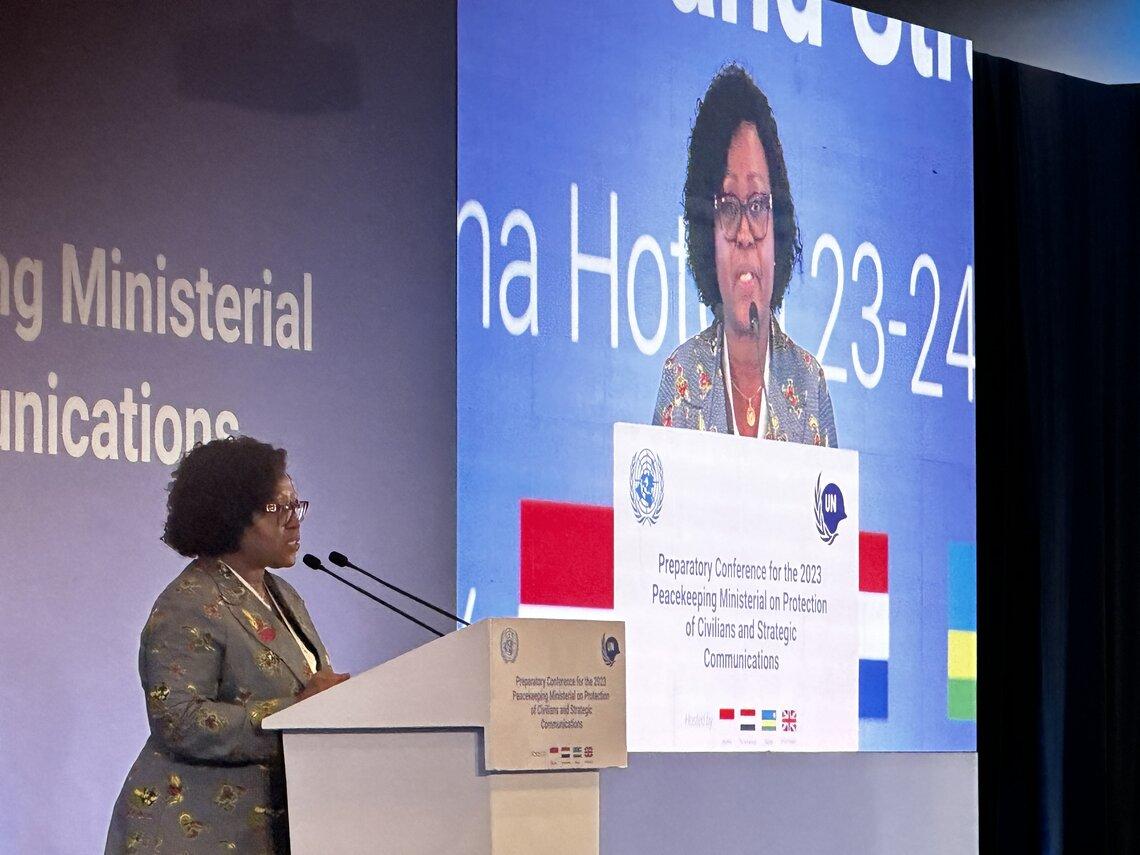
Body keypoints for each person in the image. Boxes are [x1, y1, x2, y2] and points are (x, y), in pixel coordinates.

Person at [105, 436, 348, 854]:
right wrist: (299, 713)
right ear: (232, 514)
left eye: (297, 505)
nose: (294, 520)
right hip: (194, 831)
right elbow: (178, 720)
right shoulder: (189, 603)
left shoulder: (284, 594)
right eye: (278, 507)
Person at [652, 64, 838, 447]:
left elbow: (834, 507)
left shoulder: (808, 384)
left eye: (757, 205)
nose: (744, 234)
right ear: (708, 235)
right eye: (727, 207)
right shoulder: (681, 376)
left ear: (778, 225)